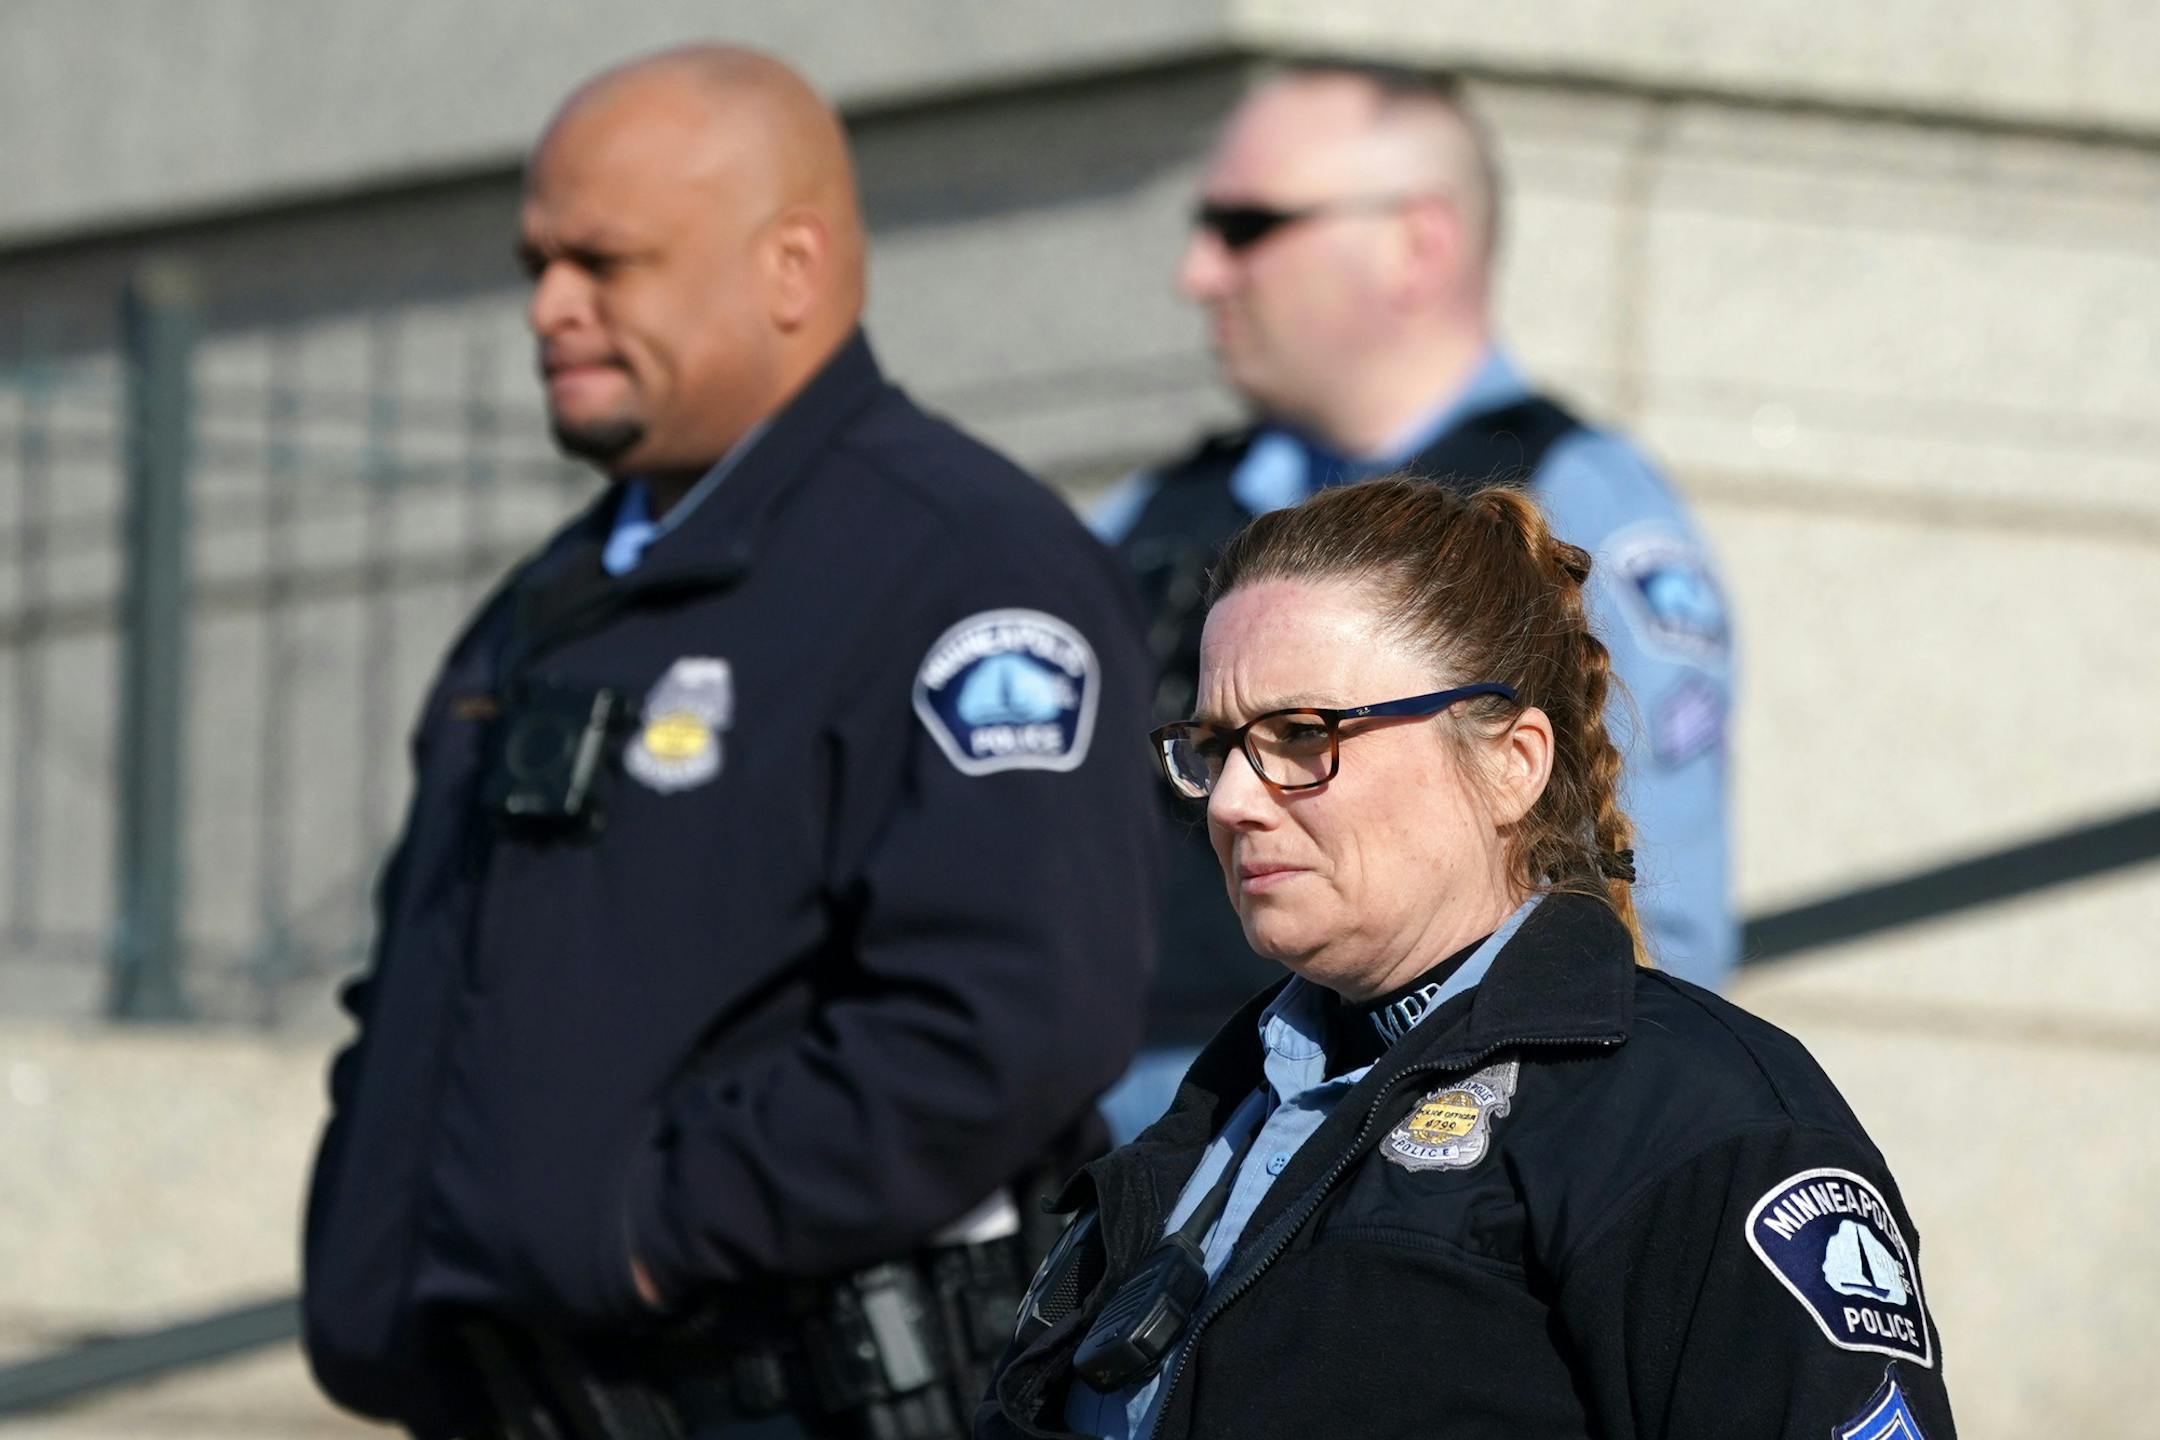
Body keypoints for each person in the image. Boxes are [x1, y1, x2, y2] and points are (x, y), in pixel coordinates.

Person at [301, 46, 1158, 1440]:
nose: (550, 308)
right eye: (535, 263)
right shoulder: (551, 607)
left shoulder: (965, 569)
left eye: (606, 261)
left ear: (791, 269)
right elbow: (426, 992)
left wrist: (637, 1229)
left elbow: (1003, 1025)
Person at [983, 478, 1955, 1440]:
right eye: (1215, 745)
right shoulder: (1207, 1127)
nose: (1233, 800)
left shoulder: (1699, 1122)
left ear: (1510, 764)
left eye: (1300, 736)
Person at [1095, 63, 1733, 1080]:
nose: (1200, 273)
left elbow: (1658, 921)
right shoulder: (1154, 515)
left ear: (1416, 245)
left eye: (1246, 226)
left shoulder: (1581, 506)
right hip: (1132, 1151)